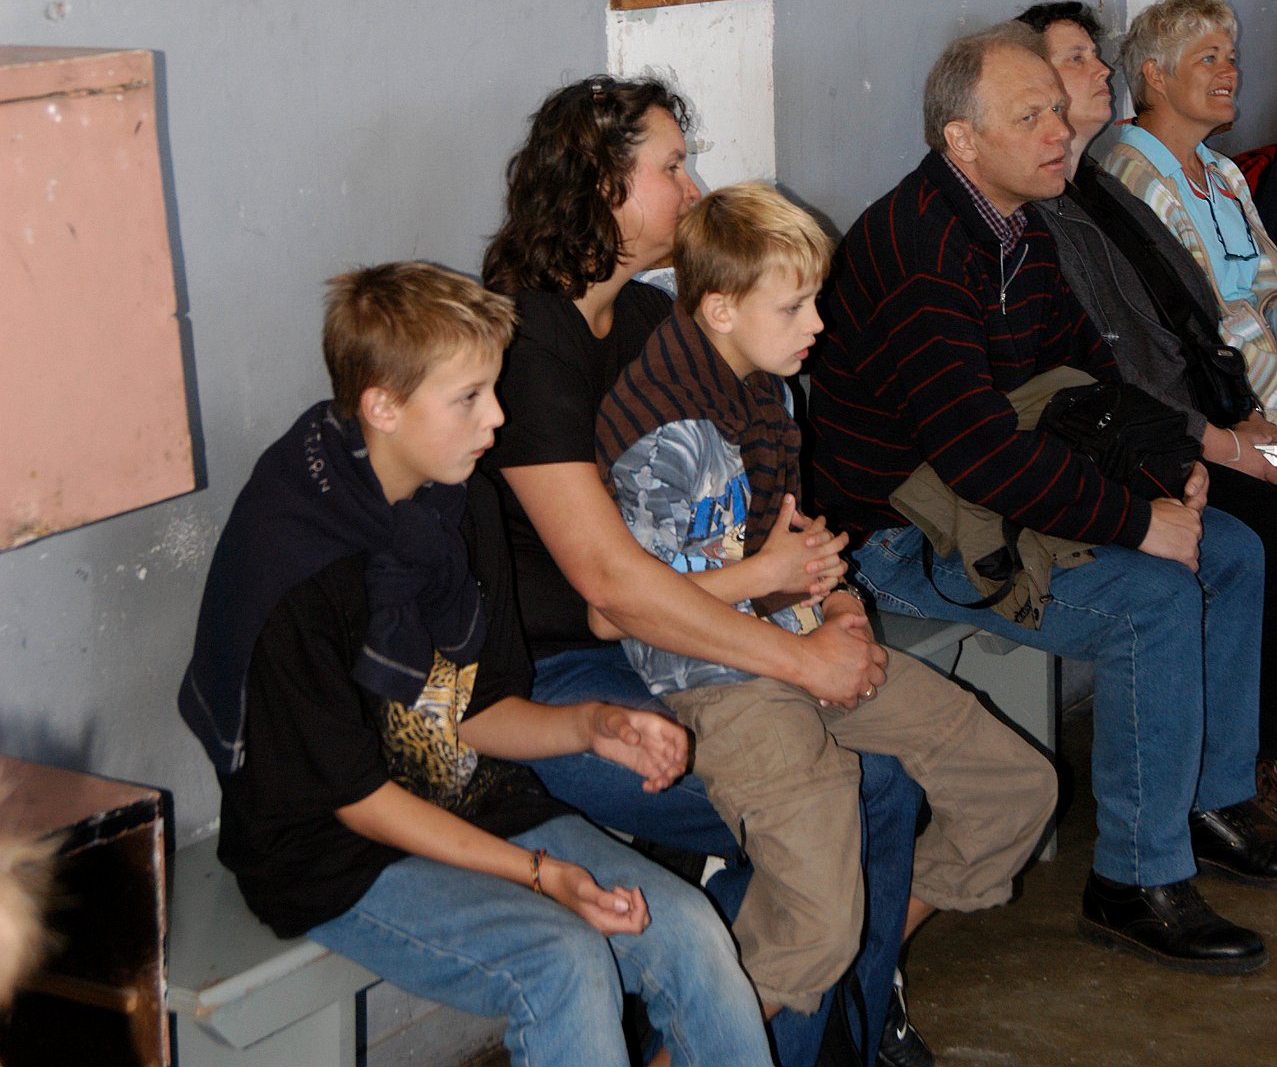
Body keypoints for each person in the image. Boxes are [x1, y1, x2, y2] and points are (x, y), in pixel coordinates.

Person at [178, 263, 772, 1067]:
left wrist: (590, 726)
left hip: (469, 794)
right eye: (468, 397)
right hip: (332, 847)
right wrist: (540, 873)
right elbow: (357, 799)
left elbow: (475, 711)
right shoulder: (292, 562)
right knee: (561, 963)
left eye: (493, 388)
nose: (497, 416)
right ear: (382, 406)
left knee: (691, 934)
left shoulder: (457, 497)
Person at [808, 21, 1277, 974]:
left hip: (981, 495)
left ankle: (1211, 799)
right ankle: (1132, 881)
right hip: (897, 537)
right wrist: (1137, 521)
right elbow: (976, 454)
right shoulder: (921, 249)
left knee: (1230, 549)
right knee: (1153, 599)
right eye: (1030, 117)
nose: (1060, 132)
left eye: (1057, 112)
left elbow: (1089, 369)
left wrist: (1166, 467)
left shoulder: (1015, 224)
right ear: (961, 139)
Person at [482, 75, 922, 1067]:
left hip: (673, 641)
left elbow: (766, 510)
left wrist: (828, 604)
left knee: (876, 790)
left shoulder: (645, 322)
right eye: (671, 167)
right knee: (849, 800)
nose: (692, 190)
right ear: (598, 183)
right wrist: (800, 662)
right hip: (557, 678)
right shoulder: (524, 343)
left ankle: (829, 1028)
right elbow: (611, 589)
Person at [597, 180, 1054, 1030]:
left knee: (1012, 787)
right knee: (815, 921)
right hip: (715, 678)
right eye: (795, 306)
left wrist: (840, 608)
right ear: (720, 309)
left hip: (798, 635)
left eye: (815, 300)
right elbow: (626, 608)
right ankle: (764, 999)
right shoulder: (661, 429)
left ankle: (862, 964)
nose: (817, 324)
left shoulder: (765, 387)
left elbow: (795, 537)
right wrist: (772, 580)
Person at [1019, 0, 1277, 798]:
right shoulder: (1104, 186)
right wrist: (1222, 440)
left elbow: (1201, 323)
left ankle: (1223, 784)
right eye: (1075, 59)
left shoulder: (1104, 190)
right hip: (1156, 437)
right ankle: (1245, 767)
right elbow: (1124, 365)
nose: (1100, 69)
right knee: (1252, 532)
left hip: (1214, 411)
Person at [1103, 0, 1277, 415]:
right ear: (1156, 75)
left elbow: (1266, 285)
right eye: (1209, 59)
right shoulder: (1134, 179)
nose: (1230, 72)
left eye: (1231, 59)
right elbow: (1186, 331)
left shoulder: (1220, 170)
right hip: (1237, 393)